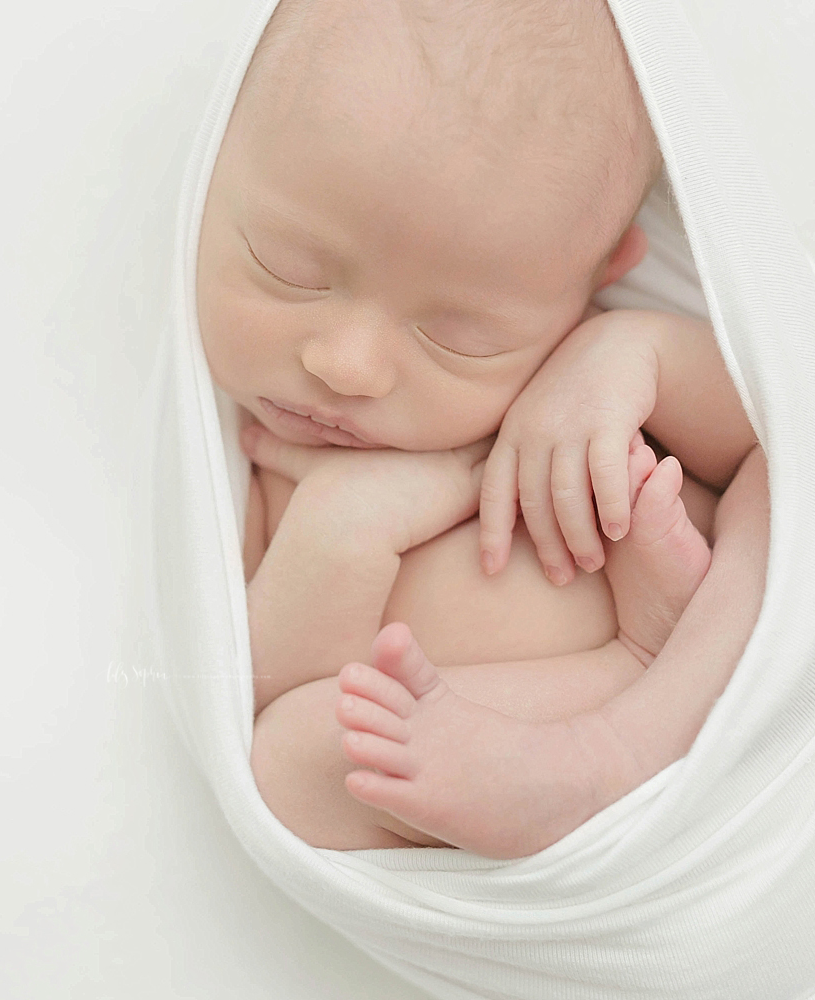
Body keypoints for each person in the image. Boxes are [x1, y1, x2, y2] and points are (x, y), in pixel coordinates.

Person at [195, 0, 764, 858]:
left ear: (593, 275)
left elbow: (781, 443)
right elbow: (254, 683)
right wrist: (340, 531)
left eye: (455, 336)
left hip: (731, 633)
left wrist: (632, 351)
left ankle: (647, 698)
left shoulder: (573, 350)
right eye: (291, 271)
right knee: (292, 761)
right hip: (507, 740)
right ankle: (625, 690)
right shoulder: (241, 457)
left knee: (784, 501)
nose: (347, 366)